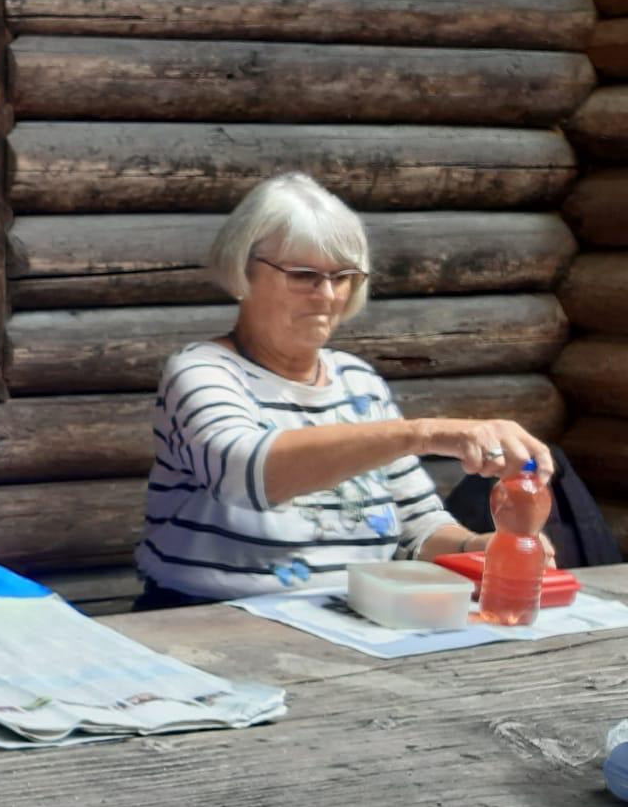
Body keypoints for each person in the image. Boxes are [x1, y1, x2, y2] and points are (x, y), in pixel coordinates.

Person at [136, 172, 555, 606]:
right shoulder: (202, 370)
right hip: (215, 619)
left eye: (343, 276)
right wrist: (425, 433)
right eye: (303, 274)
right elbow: (244, 473)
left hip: (354, 615)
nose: (327, 295)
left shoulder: (359, 381)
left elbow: (416, 526)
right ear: (244, 269)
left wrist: (480, 548)